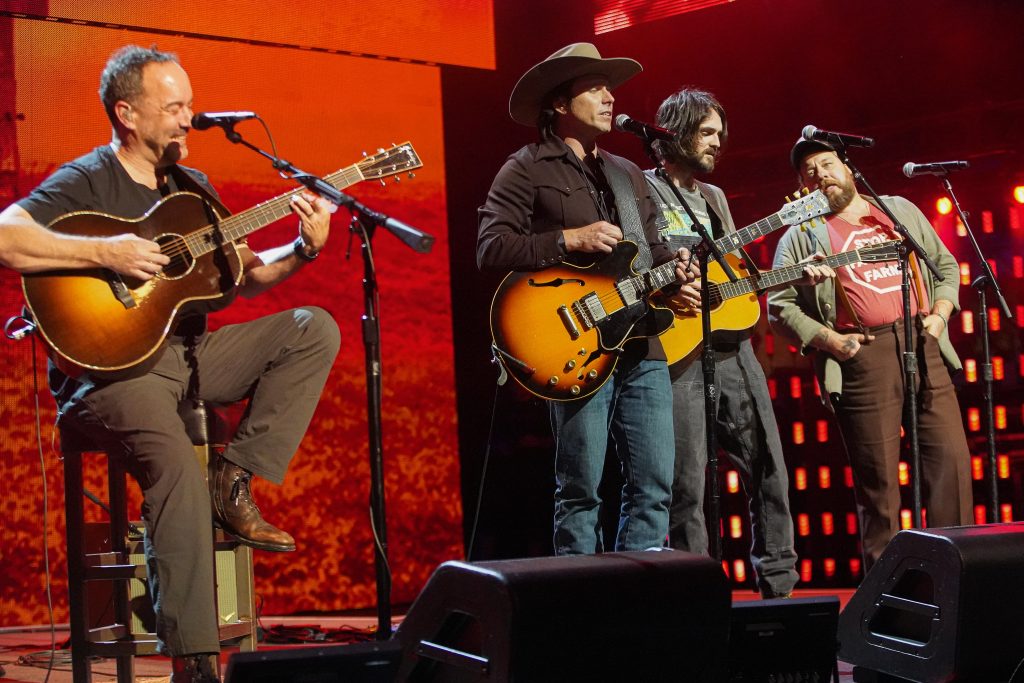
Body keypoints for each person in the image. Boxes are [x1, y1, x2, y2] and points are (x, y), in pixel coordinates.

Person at [0, 46, 341, 682]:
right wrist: (107, 253)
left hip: (187, 356)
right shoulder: (87, 179)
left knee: (310, 328)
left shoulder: (194, 188)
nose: (190, 119)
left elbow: (245, 276)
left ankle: (232, 482)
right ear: (127, 114)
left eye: (190, 105)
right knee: (176, 468)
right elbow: (5, 236)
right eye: (175, 107)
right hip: (112, 374)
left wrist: (303, 248)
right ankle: (197, 661)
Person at [477, 43, 699, 555]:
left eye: (609, 88)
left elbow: (652, 249)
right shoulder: (526, 167)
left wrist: (677, 274)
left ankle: (636, 591)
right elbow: (491, 246)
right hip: (576, 342)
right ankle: (578, 591)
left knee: (654, 487)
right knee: (581, 489)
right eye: (594, 88)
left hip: (641, 338)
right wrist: (568, 239)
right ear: (560, 103)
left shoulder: (628, 172)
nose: (609, 97)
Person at [643, 89, 828, 598]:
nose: (717, 143)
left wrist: (791, 275)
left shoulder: (714, 198)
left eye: (720, 134)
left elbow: (733, 276)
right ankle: (696, 594)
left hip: (733, 347)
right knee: (687, 483)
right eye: (706, 132)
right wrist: (669, 284)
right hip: (675, 350)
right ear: (677, 133)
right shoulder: (641, 190)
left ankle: (779, 586)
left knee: (769, 465)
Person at [768, 137, 973, 571]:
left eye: (827, 164)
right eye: (809, 172)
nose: (820, 175)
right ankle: (889, 590)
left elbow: (945, 266)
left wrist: (940, 315)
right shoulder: (800, 234)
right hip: (862, 355)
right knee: (879, 486)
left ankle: (957, 578)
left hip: (923, 341)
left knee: (950, 464)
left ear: (847, 166)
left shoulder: (896, 210)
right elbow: (779, 306)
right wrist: (832, 341)